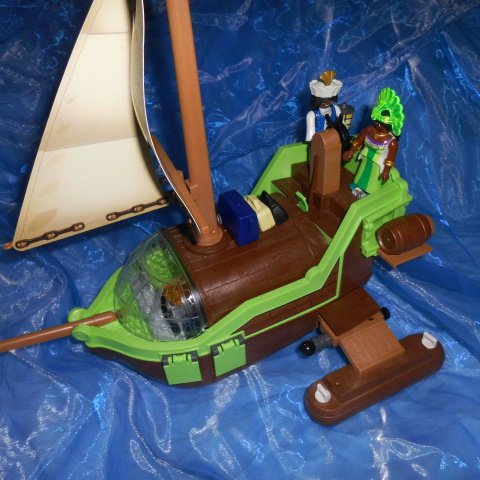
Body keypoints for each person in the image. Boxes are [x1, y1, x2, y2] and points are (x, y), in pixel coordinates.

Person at [342, 88, 405, 197]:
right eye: (376, 122)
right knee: (361, 173)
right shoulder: (368, 130)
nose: (378, 125)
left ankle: (369, 192)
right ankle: (357, 185)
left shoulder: (392, 142)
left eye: (381, 124)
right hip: (366, 158)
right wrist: (350, 151)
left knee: (373, 180)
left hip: (378, 164)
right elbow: (357, 142)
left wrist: (386, 171)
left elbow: (390, 159)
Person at [305, 70, 347, 141]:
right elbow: (310, 136)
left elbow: (343, 126)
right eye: (323, 100)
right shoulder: (312, 115)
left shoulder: (335, 109)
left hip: (334, 138)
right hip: (319, 140)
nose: (327, 102)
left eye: (330, 99)